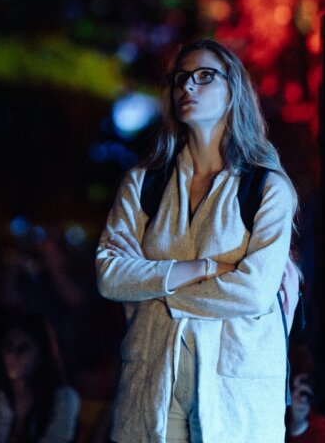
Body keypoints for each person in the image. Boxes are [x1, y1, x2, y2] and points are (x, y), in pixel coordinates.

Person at [96, 39, 299, 443]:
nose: (189, 87)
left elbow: (254, 292)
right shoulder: (144, 183)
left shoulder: (266, 187)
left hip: (236, 387)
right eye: (181, 79)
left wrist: (154, 286)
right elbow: (110, 276)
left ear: (233, 91)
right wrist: (207, 269)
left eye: (206, 77)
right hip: (152, 380)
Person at [0, 314, 80, 443]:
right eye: (8, 346)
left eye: (23, 348)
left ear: (41, 355)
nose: (13, 354)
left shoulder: (64, 398)